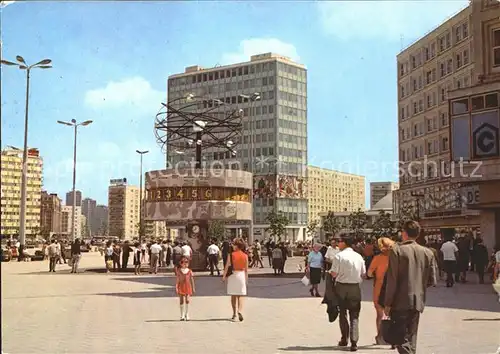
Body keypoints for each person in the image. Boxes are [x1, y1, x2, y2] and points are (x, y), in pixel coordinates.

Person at [384, 220, 437, 354]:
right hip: (417, 301)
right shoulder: (428, 253)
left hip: (399, 301)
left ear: (404, 233)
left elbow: (392, 280)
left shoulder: (397, 251)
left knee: (401, 338)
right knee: (412, 337)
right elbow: (432, 280)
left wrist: (387, 303)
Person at [330, 236, 366, 352]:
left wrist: (331, 273)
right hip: (355, 287)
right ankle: (354, 341)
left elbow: (334, 274)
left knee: (343, 313)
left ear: (344, 243)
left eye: (339, 242)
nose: (337, 244)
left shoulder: (339, 256)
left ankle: (344, 338)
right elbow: (363, 274)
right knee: (354, 314)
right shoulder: (358, 256)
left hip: (341, 287)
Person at [367, 237, 395, 345]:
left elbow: (369, 273)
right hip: (393, 289)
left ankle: (380, 337)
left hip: (379, 288)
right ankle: (392, 339)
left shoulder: (378, 258)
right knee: (392, 314)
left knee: (380, 314)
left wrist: (374, 274)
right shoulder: (396, 258)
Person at [222, 238, 248, 322]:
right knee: (240, 295)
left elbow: (226, 266)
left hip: (233, 275)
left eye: (233, 244)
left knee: (233, 295)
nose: (232, 246)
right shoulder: (245, 255)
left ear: (237, 246)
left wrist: (224, 276)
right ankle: (240, 311)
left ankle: (234, 314)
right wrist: (246, 279)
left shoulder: (231, 255)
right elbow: (246, 269)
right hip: (241, 275)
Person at [176, 256, 195, 321]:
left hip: (188, 286)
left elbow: (192, 280)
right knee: (181, 300)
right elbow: (178, 280)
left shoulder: (189, 271)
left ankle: (187, 314)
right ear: (180, 263)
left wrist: (193, 287)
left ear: (188, 263)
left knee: (187, 300)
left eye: (186, 262)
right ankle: (182, 315)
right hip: (181, 286)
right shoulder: (179, 271)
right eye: (182, 262)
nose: (184, 263)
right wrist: (176, 287)